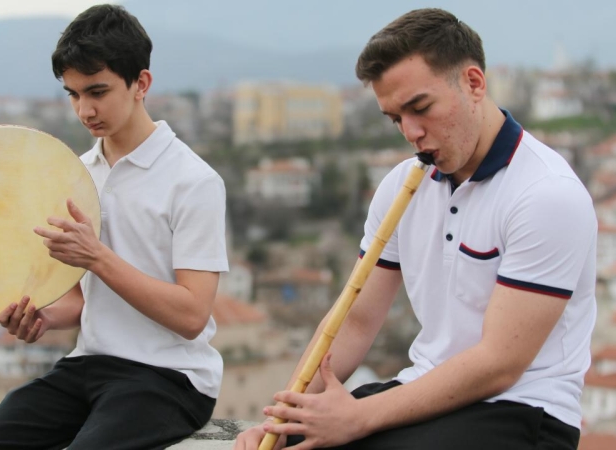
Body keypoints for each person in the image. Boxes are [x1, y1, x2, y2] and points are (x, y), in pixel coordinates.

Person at [235, 8, 595, 450]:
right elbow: (356, 320)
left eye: (420, 108)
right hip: (422, 391)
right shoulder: (400, 187)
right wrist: (282, 420)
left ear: (474, 84)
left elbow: (500, 363)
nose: (411, 132)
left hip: (522, 409)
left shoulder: (546, 194)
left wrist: (359, 417)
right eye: (395, 119)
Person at [0, 4, 229, 450]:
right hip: (88, 365)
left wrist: (98, 257)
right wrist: (43, 316)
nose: (85, 110)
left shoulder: (194, 181)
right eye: (73, 94)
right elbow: (82, 301)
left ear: (141, 83)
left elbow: (192, 317)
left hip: (170, 378)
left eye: (97, 91)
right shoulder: (75, 174)